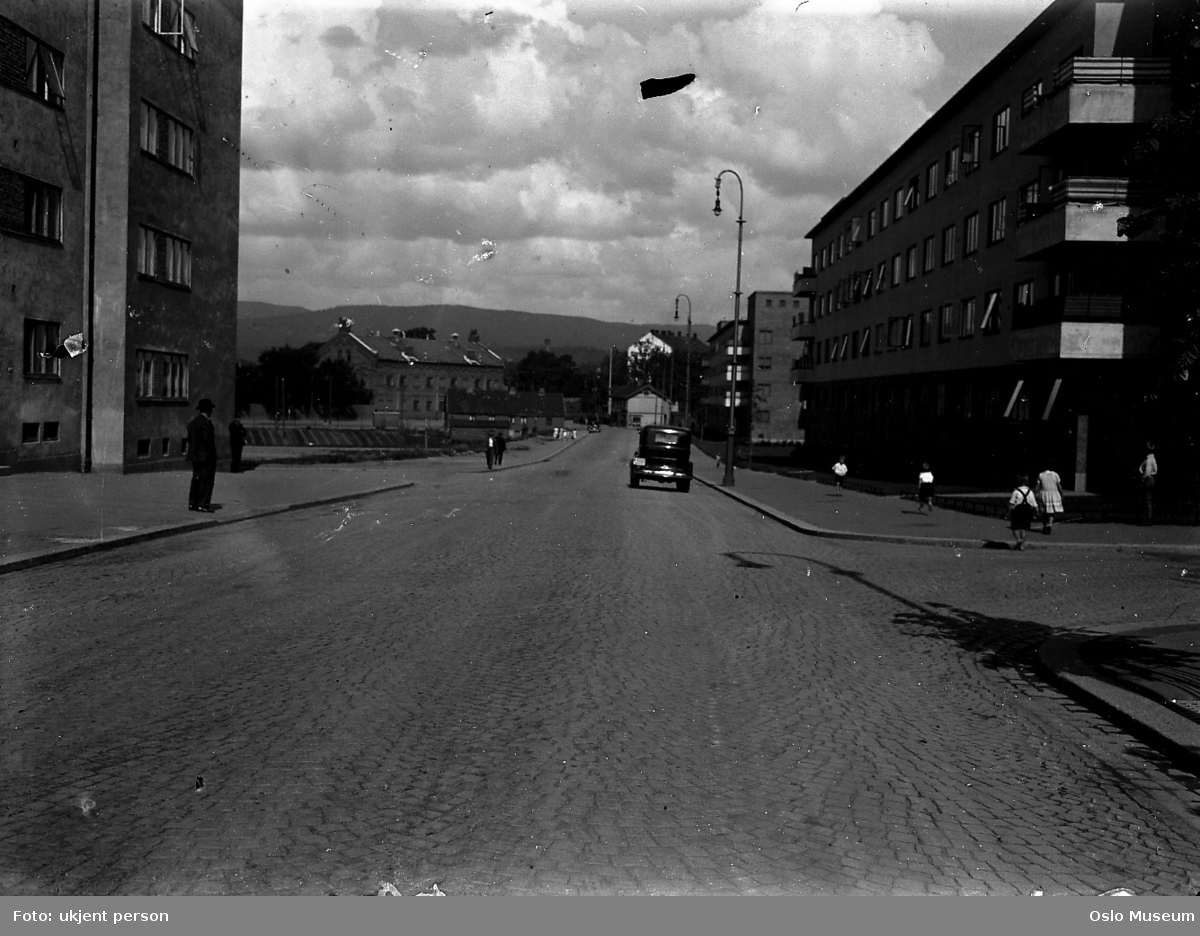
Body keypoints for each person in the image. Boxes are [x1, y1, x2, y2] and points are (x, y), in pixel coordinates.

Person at [187, 398, 217, 512]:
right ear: (209, 410)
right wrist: (211, 454)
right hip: (206, 456)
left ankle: (192, 503)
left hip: (195, 456)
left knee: (196, 478)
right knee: (206, 480)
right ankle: (203, 504)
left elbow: (191, 440)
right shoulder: (206, 423)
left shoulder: (193, 423)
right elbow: (207, 440)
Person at [1008, 474, 1038, 550]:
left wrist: (1009, 512)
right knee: (1024, 528)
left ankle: (1018, 539)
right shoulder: (1030, 492)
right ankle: (1022, 546)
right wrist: (1036, 512)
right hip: (1027, 511)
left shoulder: (1016, 491)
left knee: (1014, 527)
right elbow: (1034, 504)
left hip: (1017, 510)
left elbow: (1011, 503)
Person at [1035, 464, 1063, 534]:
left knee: (1044, 511)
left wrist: (1036, 493)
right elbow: (1059, 486)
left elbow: (1038, 485)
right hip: (1054, 494)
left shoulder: (1041, 475)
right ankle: (1049, 524)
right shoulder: (1055, 474)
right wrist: (1061, 494)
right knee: (1051, 512)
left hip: (1044, 494)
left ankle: (1044, 525)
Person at [1139, 443, 1158, 524]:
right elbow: (1155, 470)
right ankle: (1149, 516)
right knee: (1149, 498)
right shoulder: (1153, 459)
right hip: (1151, 479)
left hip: (1148, 479)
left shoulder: (1148, 460)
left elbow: (1147, 472)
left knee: (1147, 499)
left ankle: (1148, 517)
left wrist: (1143, 479)